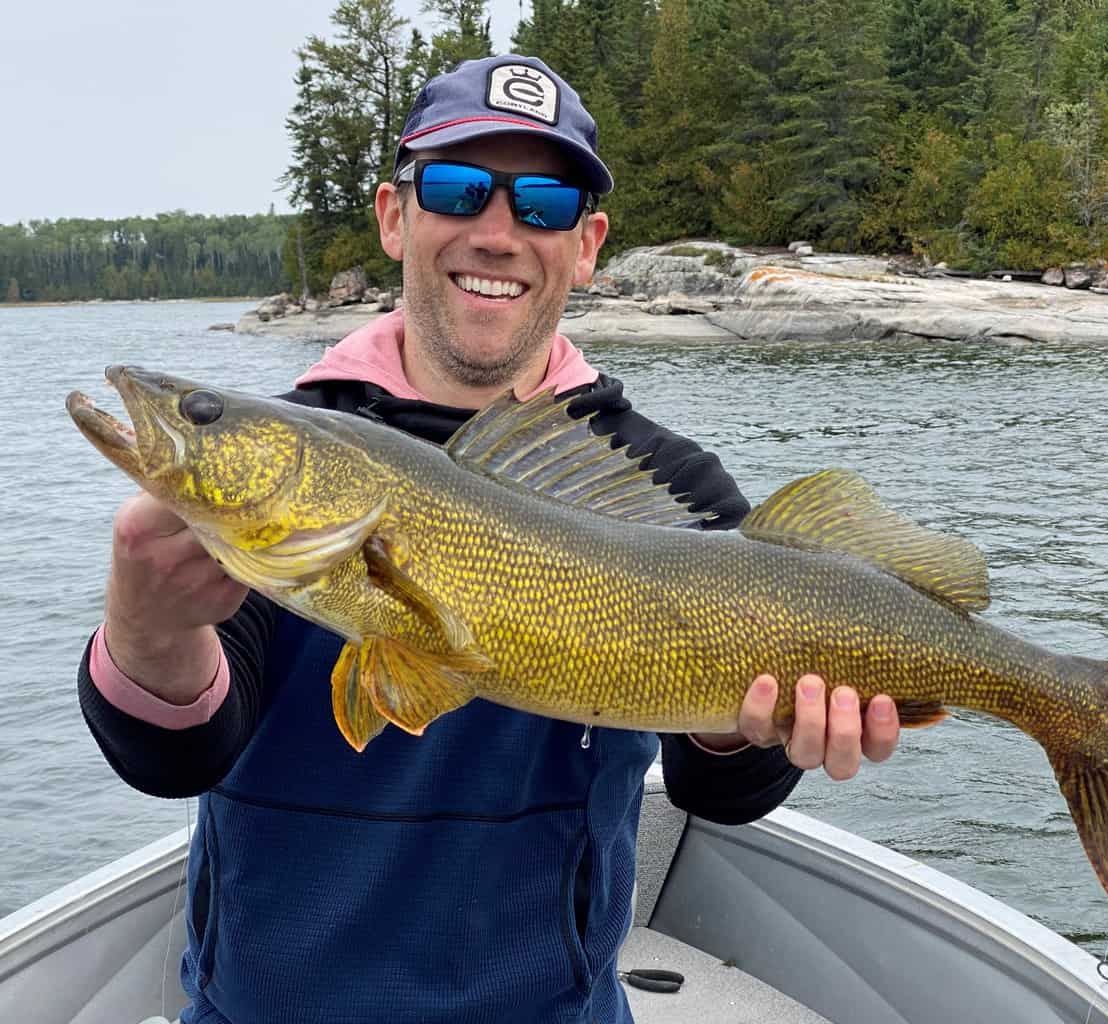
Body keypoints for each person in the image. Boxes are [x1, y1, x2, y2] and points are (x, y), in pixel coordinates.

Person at [78, 54, 901, 1023]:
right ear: (396, 215)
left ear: (586, 244)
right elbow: (176, 756)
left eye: (543, 203)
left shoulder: (665, 487)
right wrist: (146, 633)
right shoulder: (306, 465)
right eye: (461, 189)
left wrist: (745, 722)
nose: (498, 232)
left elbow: (712, 787)